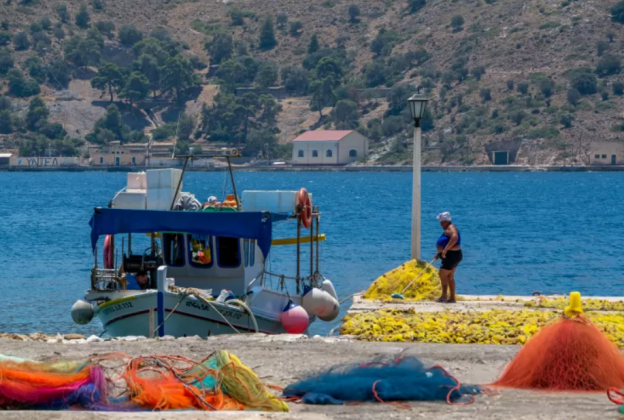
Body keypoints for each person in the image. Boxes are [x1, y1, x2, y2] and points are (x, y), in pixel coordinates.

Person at [433, 212, 462, 303]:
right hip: (453, 255)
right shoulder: (448, 229)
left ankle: (444, 296)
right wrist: (439, 253)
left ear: (445, 221)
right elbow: (448, 241)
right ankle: (452, 298)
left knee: (443, 274)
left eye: (441, 222)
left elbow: (454, 238)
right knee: (449, 276)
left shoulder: (451, 228)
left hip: (451, 255)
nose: (440, 224)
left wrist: (445, 250)